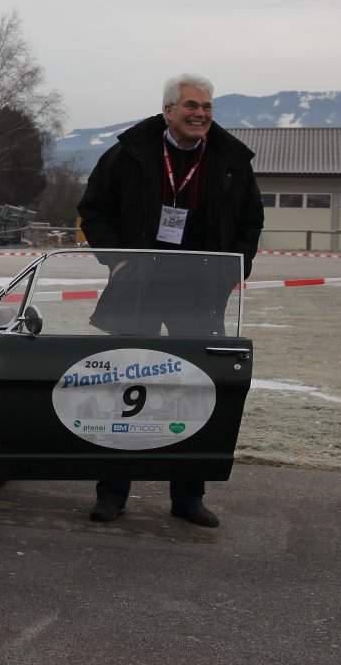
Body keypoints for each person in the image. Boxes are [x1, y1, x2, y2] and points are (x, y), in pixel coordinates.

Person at [76, 72, 264, 528]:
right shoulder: (128, 153)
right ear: (168, 111)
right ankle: (112, 494)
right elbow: (94, 208)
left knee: (194, 391)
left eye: (207, 107)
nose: (201, 114)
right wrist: (117, 260)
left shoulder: (231, 161)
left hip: (200, 292)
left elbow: (250, 223)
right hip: (137, 287)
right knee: (122, 387)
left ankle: (188, 497)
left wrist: (232, 271)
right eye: (191, 106)